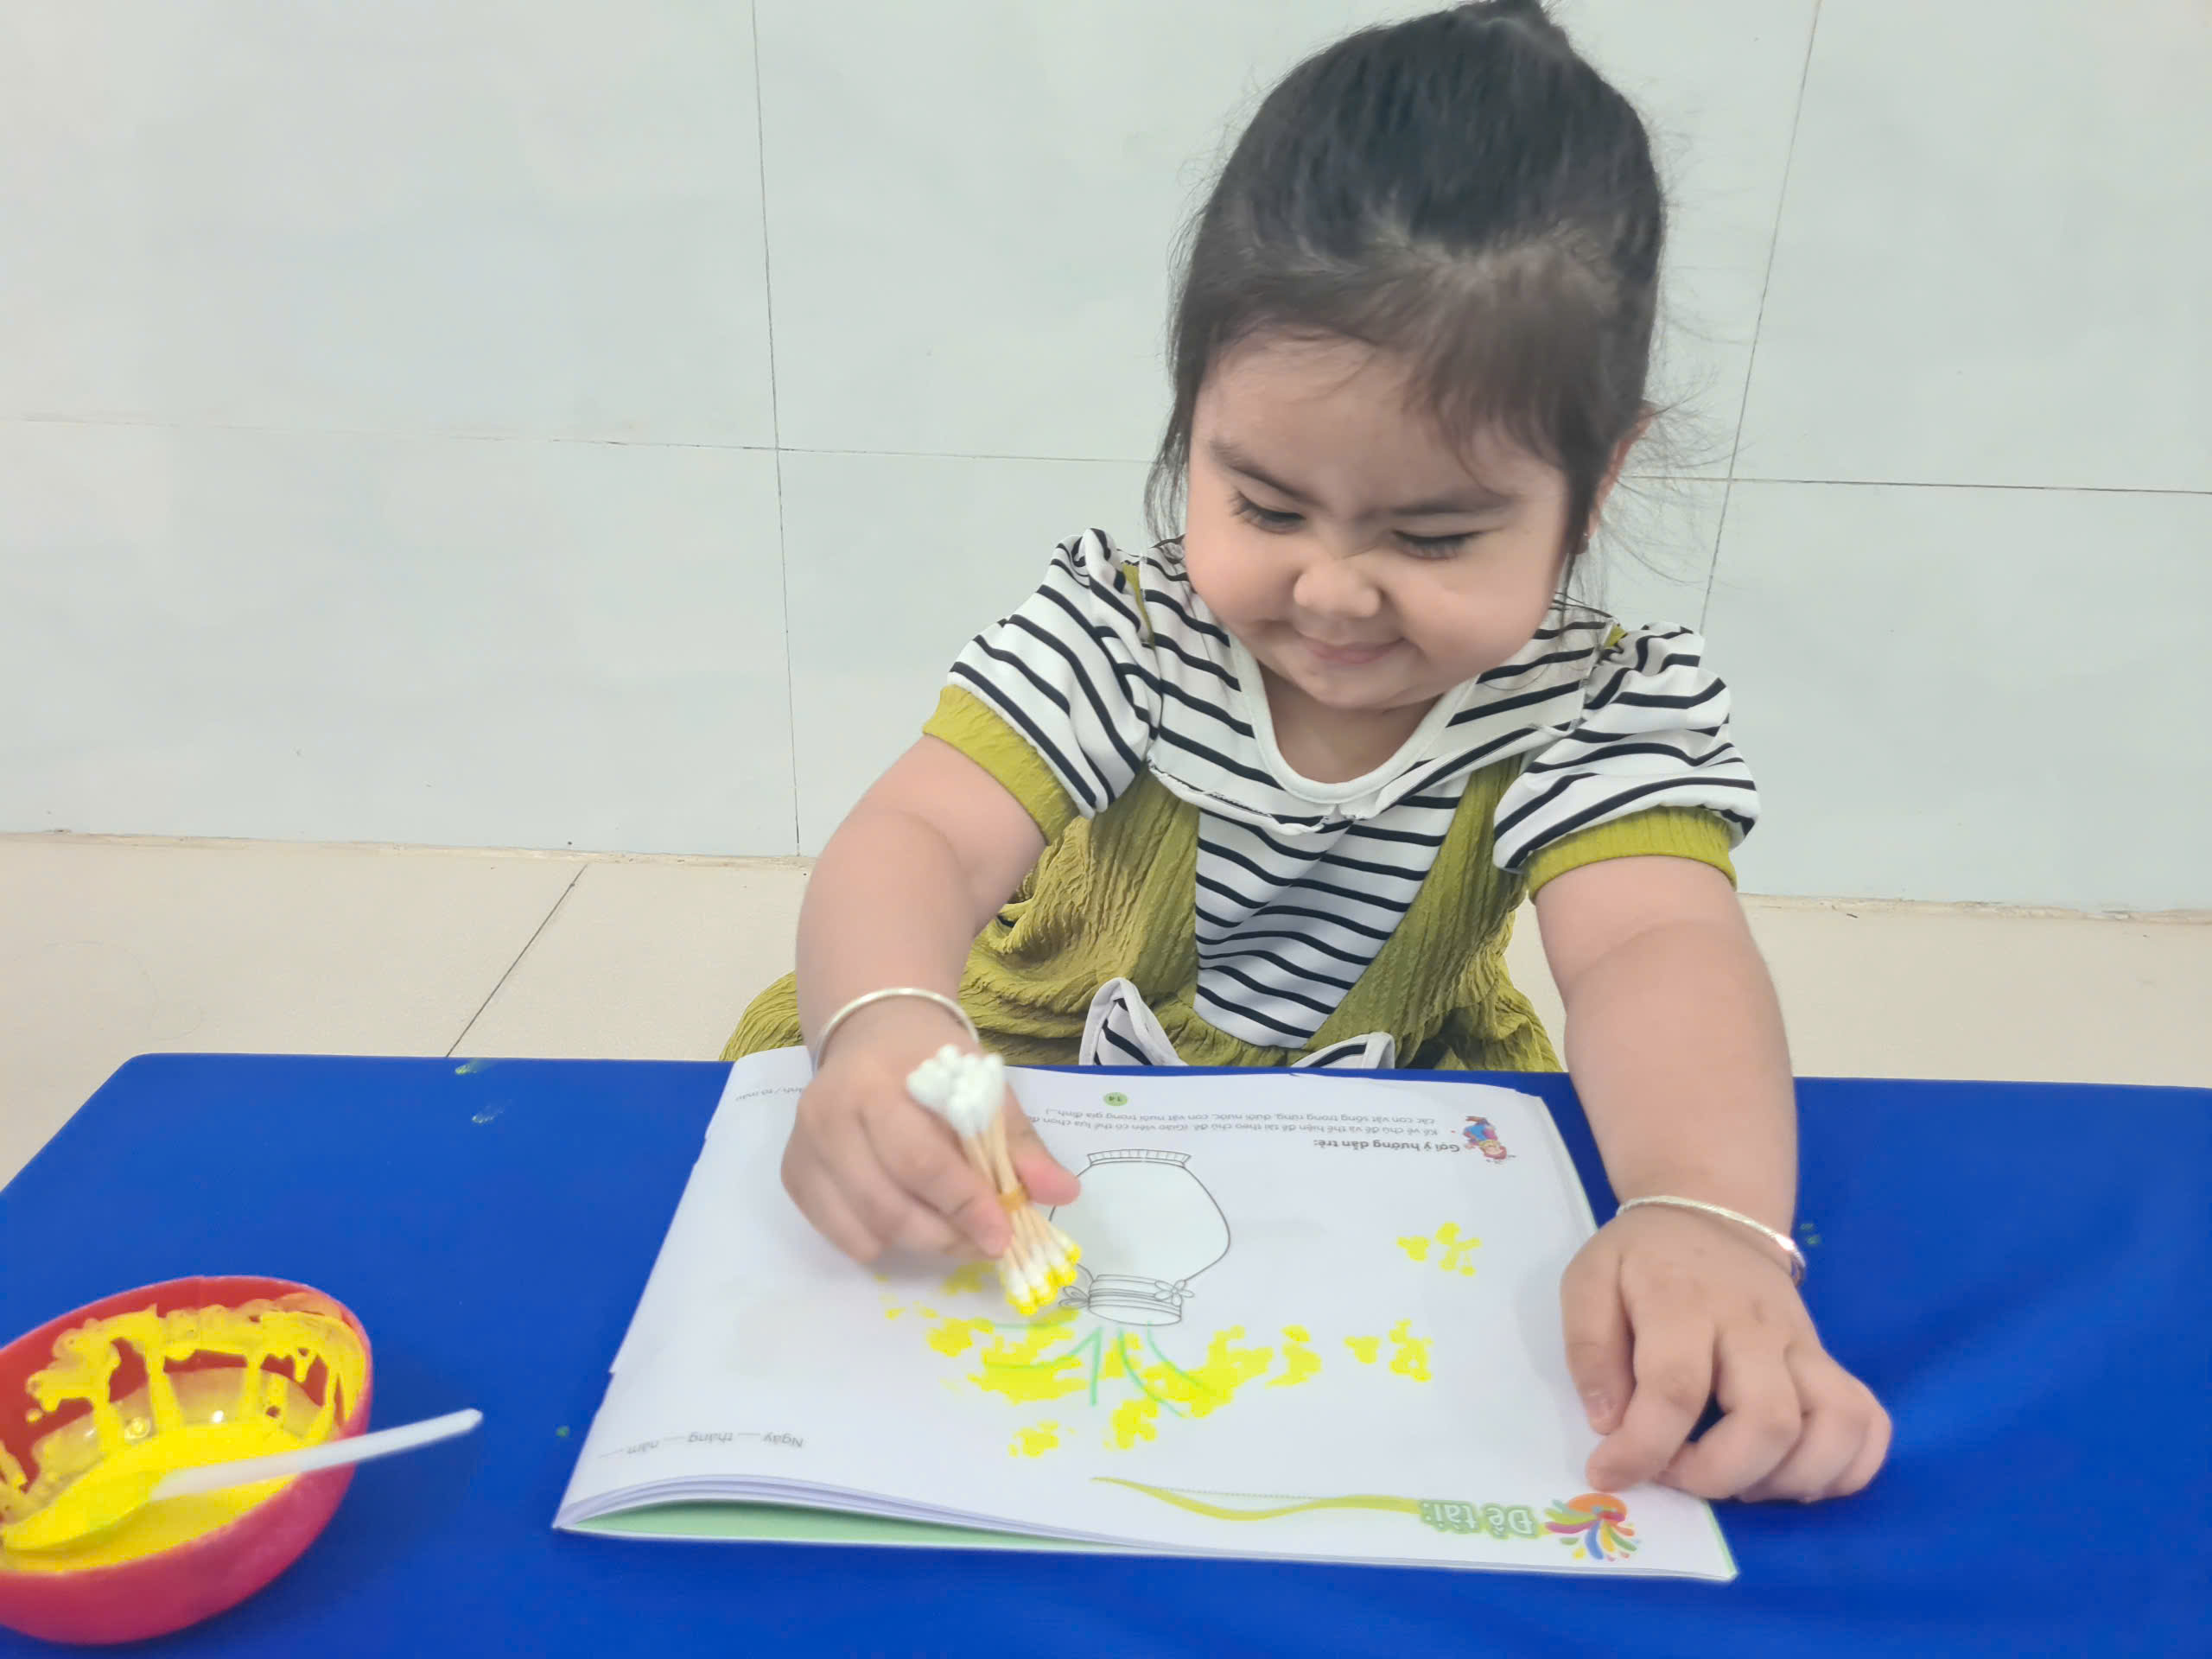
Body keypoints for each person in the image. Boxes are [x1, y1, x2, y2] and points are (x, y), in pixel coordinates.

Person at [726, 0, 1889, 1503]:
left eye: (1434, 536)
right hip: (1028, 1088)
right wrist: (888, 1020)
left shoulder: (1593, 707)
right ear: (1195, 421)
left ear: (1594, 484)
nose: (1333, 593)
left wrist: (1705, 1215)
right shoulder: (1124, 627)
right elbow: (924, 837)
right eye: (1265, 508)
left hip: (1386, 1120)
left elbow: (1654, 947)